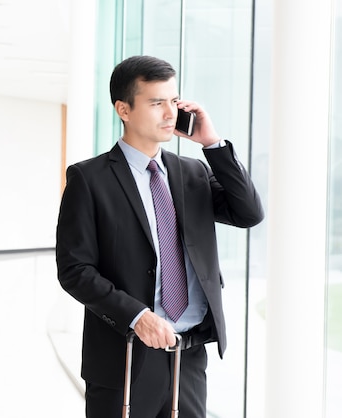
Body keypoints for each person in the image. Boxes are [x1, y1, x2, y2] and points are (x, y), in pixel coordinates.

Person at [55, 55, 264, 417]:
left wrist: (211, 143)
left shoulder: (194, 172)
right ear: (124, 109)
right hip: (125, 356)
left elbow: (249, 213)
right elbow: (75, 269)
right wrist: (137, 316)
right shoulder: (90, 180)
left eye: (173, 101)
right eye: (156, 103)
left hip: (189, 353)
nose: (170, 113)